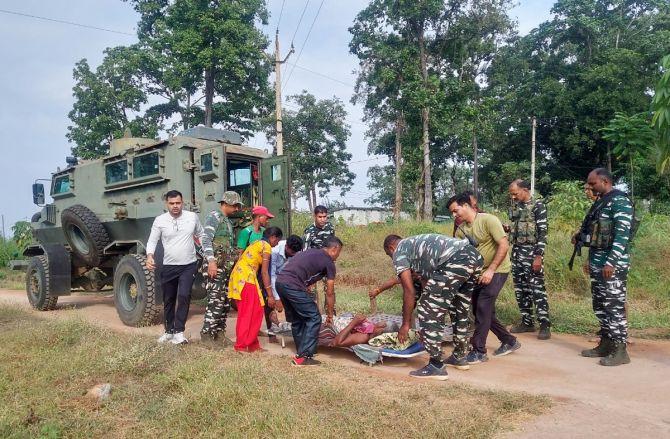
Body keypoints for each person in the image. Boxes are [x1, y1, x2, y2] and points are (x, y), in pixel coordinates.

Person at [383, 233, 483, 380]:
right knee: (459, 308)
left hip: (456, 259)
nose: (392, 259)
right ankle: (459, 357)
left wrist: (405, 324)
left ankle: (436, 365)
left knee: (427, 309)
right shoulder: (417, 246)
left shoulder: (399, 251)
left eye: (389, 255)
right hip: (474, 257)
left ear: (391, 248)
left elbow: (409, 291)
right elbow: (427, 285)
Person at [449, 193, 520, 365]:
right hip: (477, 274)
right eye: (452, 212)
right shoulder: (461, 231)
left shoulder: (489, 220)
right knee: (481, 310)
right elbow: (461, 256)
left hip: (498, 269)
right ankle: (509, 340)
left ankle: (479, 351)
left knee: (482, 306)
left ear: (466, 205)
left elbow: (504, 244)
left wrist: (491, 270)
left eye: (456, 210)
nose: (454, 215)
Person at [580, 168, 634, 366]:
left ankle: (620, 351)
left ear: (605, 181)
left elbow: (622, 235)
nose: (590, 187)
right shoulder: (601, 202)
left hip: (613, 265)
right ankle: (606, 342)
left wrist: (611, 261)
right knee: (600, 305)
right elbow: (596, 236)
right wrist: (589, 258)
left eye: (593, 183)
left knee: (614, 306)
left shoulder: (620, 201)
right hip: (597, 262)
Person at [146, 190, 204, 345]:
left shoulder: (192, 217)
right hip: (169, 266)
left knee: (184, 296)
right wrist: (149, 256)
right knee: (168, 299)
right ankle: (168, 331)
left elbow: (201, 235)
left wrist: (208, 255)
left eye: (178, 203)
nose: (175, 206)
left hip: (189, 265)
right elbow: (152, 240)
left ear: (182, 202)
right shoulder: (160, 220)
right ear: (167, 204)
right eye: (172, 203)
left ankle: (179, 332)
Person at [276, 236, 343, 367]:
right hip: (292, 285)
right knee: (314, 317)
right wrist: (330, 314)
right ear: (334, 249)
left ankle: (302, 350)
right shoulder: (329, 262)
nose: (338, 256)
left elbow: (303, 271)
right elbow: (329, 292)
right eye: (339, 252)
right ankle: (303, 356)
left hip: (280, 282)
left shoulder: (311, 252)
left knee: (298, 319)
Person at [507, 179, 551, 339]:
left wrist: (538, 256)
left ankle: (545, 324)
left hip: (532, 254)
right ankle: (527, 322)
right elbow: (517, 227)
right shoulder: (516, 207)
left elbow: (543, 233)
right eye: (511, 194)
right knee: (521, 290)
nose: (513, 197)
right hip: (517, 253)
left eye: (515, 193)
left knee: (537, 290)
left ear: (525, 190)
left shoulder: (538, 205)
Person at [228, 227, 283, 352]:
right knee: (247, 313)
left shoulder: (257, 243)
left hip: (244, 278)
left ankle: (253, 345)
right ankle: (241, 346)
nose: (277, 244)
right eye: (277, 240)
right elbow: (264, 272)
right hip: (245, 279)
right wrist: (270, 295)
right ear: (273, 237)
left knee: (256, 310)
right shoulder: (266, 246)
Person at [199, 191, 243, 347]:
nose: (237, 208)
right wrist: (211, 261)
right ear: (227, 203)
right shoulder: (214, 216)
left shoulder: (227, 221)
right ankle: (207, 335)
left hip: (224, 267)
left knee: (224, 302)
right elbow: (205, 239)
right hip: (215, 266)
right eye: (236, 205)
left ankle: (219, 334)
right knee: (215, 300)